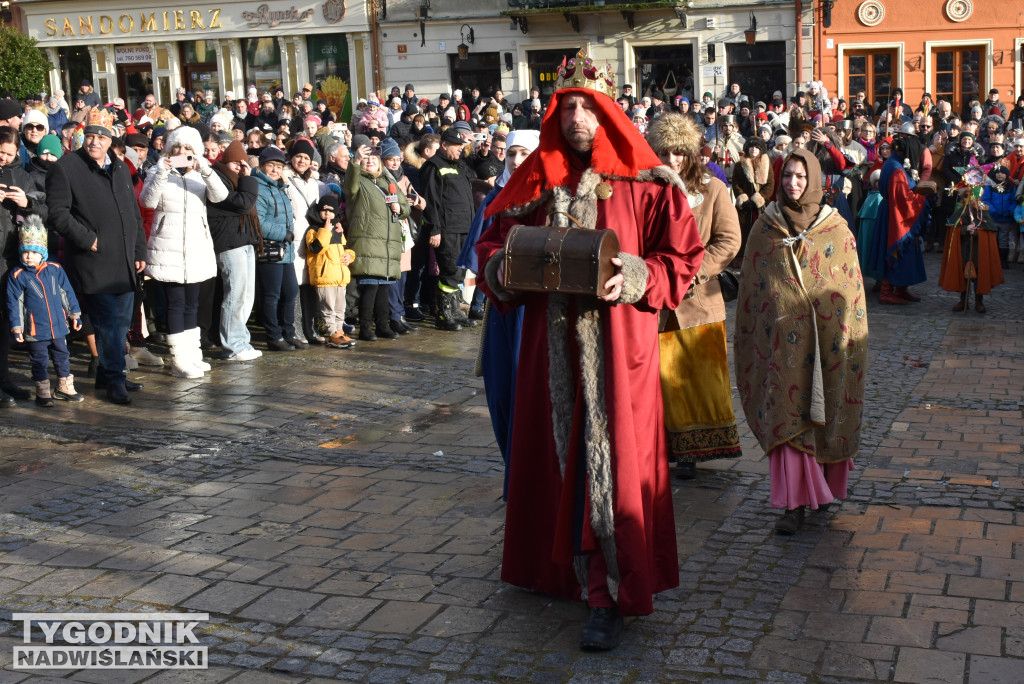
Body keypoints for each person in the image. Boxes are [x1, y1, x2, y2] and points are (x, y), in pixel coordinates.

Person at [474, 50, 704, 651]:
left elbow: (681, 259)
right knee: (558, 459)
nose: (576, 116)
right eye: (566, 105)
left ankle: (609, 591)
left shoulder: (645, 183)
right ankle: (558, 570)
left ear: (606, 114)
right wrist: (504, 268)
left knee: (614, 469)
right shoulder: (535, 180)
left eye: (587, 106)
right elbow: (492, 245)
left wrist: (635, 275)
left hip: (617, 356)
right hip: (547, 357)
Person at [734, 148, 868, 536]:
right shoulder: (765, 227)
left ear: (813, 180)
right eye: (788, 175)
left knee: (825, 410)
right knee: (788, 413)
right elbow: (754, 290)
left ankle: (822, 490)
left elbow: (849, 286)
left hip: (827, 342)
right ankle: (793, 505)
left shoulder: (836, 228)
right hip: (782, 346)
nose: (793, 183)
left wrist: (842, 331)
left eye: (800, 176)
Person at [645, 112, 742, 480]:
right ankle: (664, 446)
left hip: (698, 300)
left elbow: (729, 240)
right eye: (664, 153)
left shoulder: (714, 190)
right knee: (660, 378)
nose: (671, 161)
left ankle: (694, 450)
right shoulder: (647, 190)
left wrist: (693, 272)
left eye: (678, 153)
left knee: (698, 378)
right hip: (656, 301)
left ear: (690, 153)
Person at [457, 128, 539, 498]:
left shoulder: (551, 197)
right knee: (504, 391)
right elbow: (482, 251)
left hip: (538, 310)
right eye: (511, 155)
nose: (517, 161)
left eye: (525, 154)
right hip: (506, 307)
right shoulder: (497, 197)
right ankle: (516, 474)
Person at [46, 109, 147, 404]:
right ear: (82, 137)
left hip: (125, 260)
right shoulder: (67, 167)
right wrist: (88, 239)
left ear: (110, 140)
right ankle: (116, 379)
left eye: (101, 136)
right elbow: (58, 214)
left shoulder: (119, 167)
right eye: (90, 135)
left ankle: (107, 373)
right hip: (94, 261)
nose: (95, 141)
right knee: (107, 323)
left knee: (120, 322)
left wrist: (139, 250)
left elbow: (133, 213)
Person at [141, 125, 229, 378]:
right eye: (177, 148)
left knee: (192, 303)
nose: (182, 152)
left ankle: (193, 354)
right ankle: (179, 359)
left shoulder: (200, 174)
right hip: (167, 248)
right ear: (169, 150)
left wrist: (205, 169)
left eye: (188, 148)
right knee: (176, 303)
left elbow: (220, 196)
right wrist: (161, 171)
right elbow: (147, 201)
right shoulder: (158, 171)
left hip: (196, 247)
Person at [6, 216, 85, 406]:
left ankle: (64, 387)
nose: (29, 256)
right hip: (35, 329)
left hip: (58, 326)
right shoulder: (18, 275)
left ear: (42, 252)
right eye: (26, 252)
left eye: (34, 252)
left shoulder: (55, 269)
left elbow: (67, 293)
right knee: (39, 360)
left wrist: (75, 314)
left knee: (62, 355)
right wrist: (17, 327)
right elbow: (14, 303)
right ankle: (42, 392)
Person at [344, 135, 410, 341]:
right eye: (366, 159)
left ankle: (382, 325)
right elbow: (349, 186)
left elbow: (405, 207)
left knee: (384, 286)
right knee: (370, 287)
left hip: (388, 243)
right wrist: (355, 162)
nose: (370, 161)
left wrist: (401, 208)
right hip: (368, 241)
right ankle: (365, 328)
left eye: (374, 158)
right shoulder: (359, 182)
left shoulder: (388, 181)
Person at [208, 140, 263, 362]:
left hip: (244, 242)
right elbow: (243, 203)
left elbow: (244, 202)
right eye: (235, 164)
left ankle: (241, 341)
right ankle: (233, 346)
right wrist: (249, 178)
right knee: (235, 296)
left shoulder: (239, 182)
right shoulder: (217, 180)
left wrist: (245, 178)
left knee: (246, 296)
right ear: (225, 162)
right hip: (229, 244)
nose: (239, 168)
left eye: (243, 164)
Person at [421, 128, 478, 331]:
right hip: (447, 229)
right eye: (457, 146)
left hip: (463, 227)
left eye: (462, 146)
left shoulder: (458, 166)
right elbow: (431, 201)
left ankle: (455, 312)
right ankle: (445, 315)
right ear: (444, 145)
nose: (460, 150)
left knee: (459, 272)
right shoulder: (433, 166)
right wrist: (434, 229)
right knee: (449, 271)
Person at [253, 146, 303, 351]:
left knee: (290, 291)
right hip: (270, 249)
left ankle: (288, 332)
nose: (275, 170)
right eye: (271, 165)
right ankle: (273, 336)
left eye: (279, 166)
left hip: (286, 250)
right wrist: (284, 233)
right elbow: (259, 222)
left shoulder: (281, 187)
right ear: (263, 166)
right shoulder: (259, 188)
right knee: (271, 294)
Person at [940, 168, 1004, 312]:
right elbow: (953, 230)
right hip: (963, 250)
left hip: (978, 252)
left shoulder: (983, 212)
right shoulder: (959, 212)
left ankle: (978, 302)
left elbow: (989, 231)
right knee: (964, 275)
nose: (969, 198)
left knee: (979, 276)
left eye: (971, 195)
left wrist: (977, 232)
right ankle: (963, 301)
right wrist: (964, 230)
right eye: (966, 195)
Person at [304, 193, 356, 348]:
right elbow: (315, 249)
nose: (327, 214)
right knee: (328, 308)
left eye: (331, 211)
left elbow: (346, 249)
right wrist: (325, 230)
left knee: (340, 308)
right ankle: (332, 333)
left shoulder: (338, 231)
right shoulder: (314, 230)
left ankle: (339, 331)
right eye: (324, 211)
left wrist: (349, 256)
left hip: (340, 278)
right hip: (325, 277)